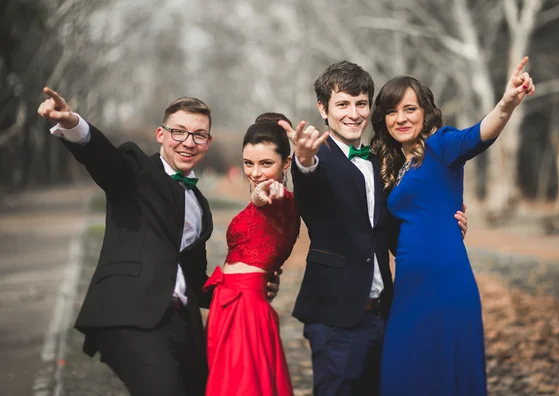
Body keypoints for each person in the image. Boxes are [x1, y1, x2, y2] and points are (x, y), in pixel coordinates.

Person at [36, 88, 279, 396]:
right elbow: (103, 159)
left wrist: (250, 287)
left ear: (208, 142)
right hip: (131, 314)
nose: (188, 142)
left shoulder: (200, 205)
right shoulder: (137, 169)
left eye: (199, 135)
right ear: (161, 134)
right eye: (179, 132)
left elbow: (195, 280)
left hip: (182, 324)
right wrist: (72, 123)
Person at [278, 61, 468, 395]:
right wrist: (303, 160)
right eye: (342, 104)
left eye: (361, 103)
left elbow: (394, 231)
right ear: (323, 109)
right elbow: (308, 183)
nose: (353, 113)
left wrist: (441, 225)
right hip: (336, 317)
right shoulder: (316, 159)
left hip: (385, 315)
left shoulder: (381, 161)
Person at [371, 57, 535, 395]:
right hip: (408, 289)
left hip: (446, 286)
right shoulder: (393, 167)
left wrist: (506, 104)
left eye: (409, 109)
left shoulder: (440, 146)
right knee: (400, 375)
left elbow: (479, 134)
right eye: (391, 111)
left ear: (425, 111)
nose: (400, 118)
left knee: (444, 378)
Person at [202, 113, 300, 396]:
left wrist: (265, 195)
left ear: (287, 163)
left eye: (266, 163)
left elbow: (271, 198)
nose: (256, 173)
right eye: (249, 163)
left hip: (246, 312)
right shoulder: (260, 195)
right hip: (226, 306)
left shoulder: (281, 201)